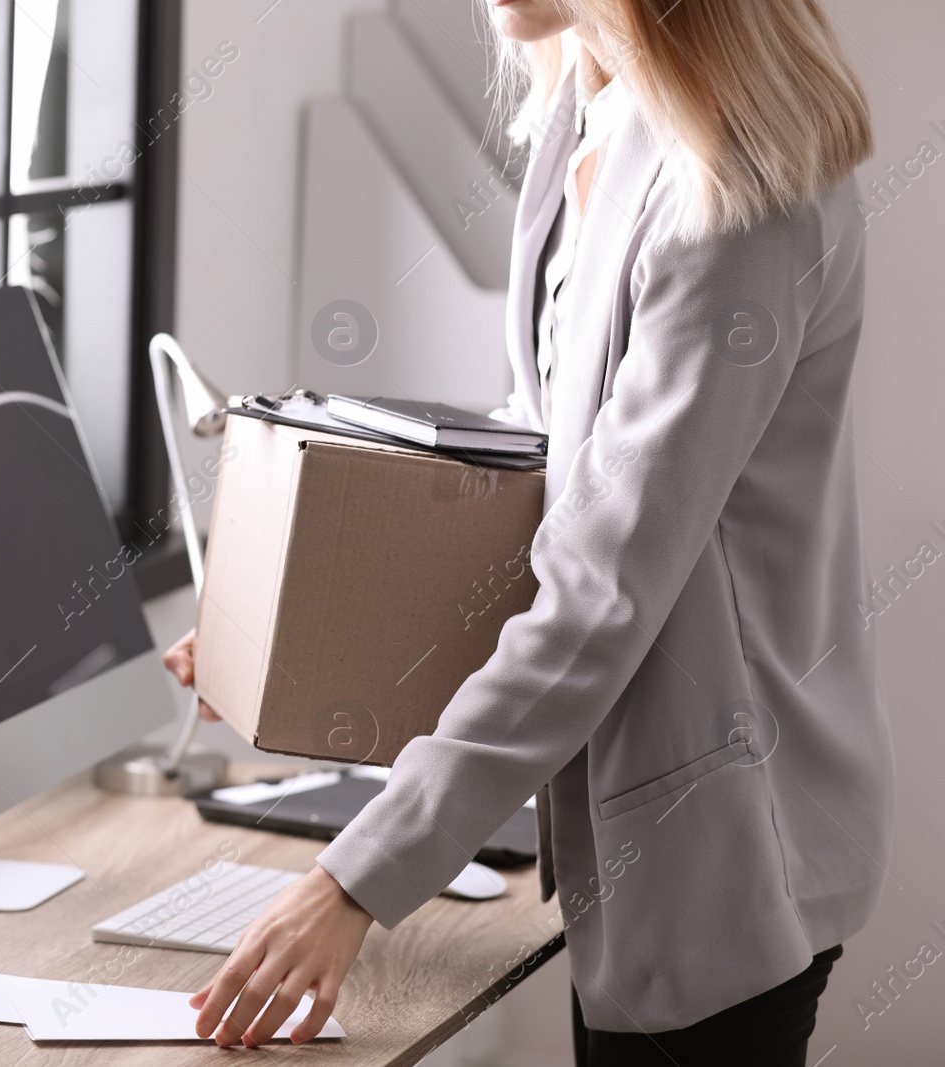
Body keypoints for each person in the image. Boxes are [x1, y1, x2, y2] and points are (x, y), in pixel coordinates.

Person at [164, 1, 890, 1063]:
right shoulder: (585, 118)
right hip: (636, 823)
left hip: (727, 841)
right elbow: (541, 459)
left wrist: (354, 878)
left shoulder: (732, 192)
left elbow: (601, 585)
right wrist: (297, 640)